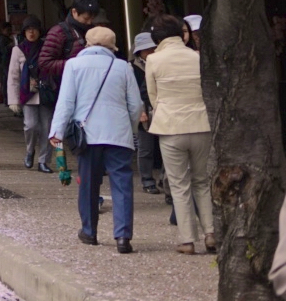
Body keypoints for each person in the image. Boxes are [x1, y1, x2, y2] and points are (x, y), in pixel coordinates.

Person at [49, 25, 143, 253]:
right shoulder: (123, 67)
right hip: (118, 135)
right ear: (112, 46)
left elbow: (66, 102)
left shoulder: (74, 65)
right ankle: (123, 236)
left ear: (87, 44)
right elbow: (135, 105)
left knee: (89, 183)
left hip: (87, 135)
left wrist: (57, 131)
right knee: (121, 184)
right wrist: (130, 130)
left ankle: (89, 232)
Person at [144, 13, 214, 255]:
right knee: (202, 181)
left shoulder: (153, 60)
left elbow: (153, 97)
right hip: (200, 123)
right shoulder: (196, 57)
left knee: (179, 184)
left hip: (170, 125)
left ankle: (187, 240)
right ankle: (211, 232)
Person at [7, 15, 52, 172]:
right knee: (30, 126)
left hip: (46, 93)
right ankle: (30, 151)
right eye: (28, 30)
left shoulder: (47, 48)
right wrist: (13, 100)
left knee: (47, 127)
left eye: (34, 29)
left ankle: (43, 161)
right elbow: (13, 76)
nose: (31, 33)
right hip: (28, 94)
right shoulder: (18, 50)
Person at [129, 32, 161, 194]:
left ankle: (163, 180)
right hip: (143, 109)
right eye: (146, 50)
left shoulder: (161, 62)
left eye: (153, 48)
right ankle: (147, 180)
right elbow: (132, 92)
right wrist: (139, 111)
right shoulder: (131, 67)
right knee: (145, 148)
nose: (150, 52)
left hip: (161, 108)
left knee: (165, 147)